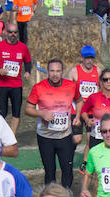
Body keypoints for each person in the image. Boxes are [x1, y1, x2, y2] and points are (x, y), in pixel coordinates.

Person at [25, 58, 81, 188]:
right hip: (46, 137)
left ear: (62, 72)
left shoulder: (71, 86)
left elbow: (79, 101)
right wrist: (41, 113)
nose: (55, 74)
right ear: (47, 72)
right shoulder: (38, 88)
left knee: (67, 170)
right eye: (52, 71)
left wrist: (77, 116)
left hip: (65, 136)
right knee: (50, 172)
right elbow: (27, 109)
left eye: (58, 71)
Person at [0, 22, 32, 133]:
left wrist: (28, 71)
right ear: (6, 33)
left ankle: (12, 138)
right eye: (10, 32)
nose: (13, 34)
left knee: (16, 112)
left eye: (15, 32)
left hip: (16, 84)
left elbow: (28, 62)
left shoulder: (23, 47)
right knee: (3, 112)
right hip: (1, 84)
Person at [77, 67, 110, 168]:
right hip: (96, 137)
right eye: (105, 79)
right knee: (97, 170)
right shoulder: (93, 97)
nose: (108, 82)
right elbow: (83, 111)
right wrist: (87, 119)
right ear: (101, 82)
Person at [69, 45, 100, 162]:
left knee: (89, 139)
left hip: (91, 111)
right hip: (76, 110)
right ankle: (69, 154)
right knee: (77, 139)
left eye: (91, 58)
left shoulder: (98, 72)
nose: (89, 60)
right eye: (87, 58)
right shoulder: (74, 72)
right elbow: (68, 91)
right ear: (82, 58)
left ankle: (85, 162)